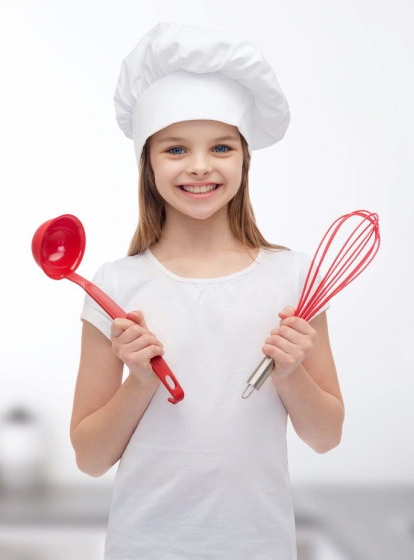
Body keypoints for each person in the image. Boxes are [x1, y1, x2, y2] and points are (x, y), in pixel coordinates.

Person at [70, 22, 344, 559]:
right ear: (147, 163)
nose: (200, 166)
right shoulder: (115, 287)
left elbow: (326, 435)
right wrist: (140, 381)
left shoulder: (295, 280)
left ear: (244, 158)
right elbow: (90, 457)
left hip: (258, 546)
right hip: (145, 546)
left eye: (220, 146)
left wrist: (289, 374)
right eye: (175, 149)